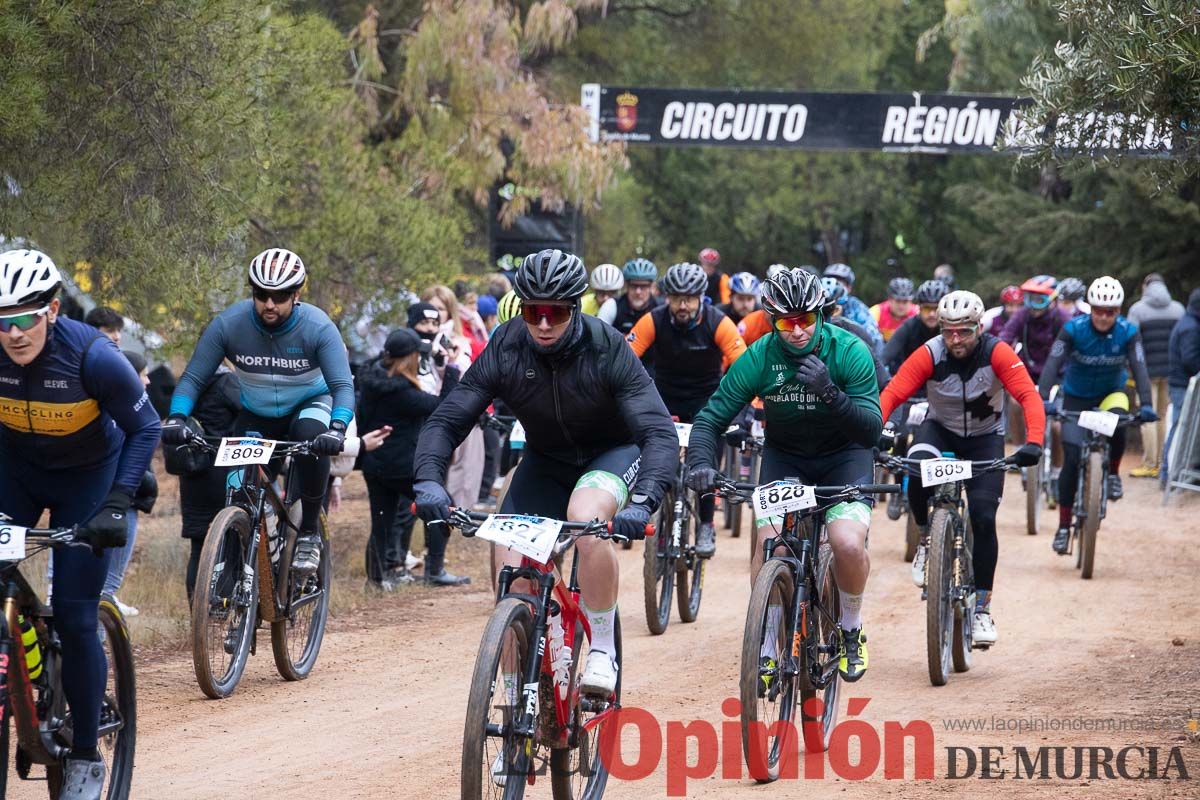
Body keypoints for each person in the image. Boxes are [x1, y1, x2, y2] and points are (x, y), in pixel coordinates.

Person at [414, 248, 678, 698]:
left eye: (554, 313)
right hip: (546, 460)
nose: (542, 324)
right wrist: (428, 481)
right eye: (533, 311)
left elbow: (657, 431)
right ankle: (518, 697)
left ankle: (602, 650)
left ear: (574, 308)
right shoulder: (507, 346)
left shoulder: (606, 346)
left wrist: (644, 500)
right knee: (513, 574)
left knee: (588, 518)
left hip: (610, 453)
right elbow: (447, 420)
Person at [0, 249, 160, 798]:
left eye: (25, 317)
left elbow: (146, 427)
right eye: (2, 321)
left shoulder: (93, 357)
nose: (14, 333)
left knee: (74, 613)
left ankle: (89, 752)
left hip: (87, 480)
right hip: (15, 472)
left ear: (52, 308)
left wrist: (118, 500)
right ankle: (21, 682)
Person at [686, 268, 883, 682]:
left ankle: (850, 628)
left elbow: (871, 429)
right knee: (771, 544)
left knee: (846, 542)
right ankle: (771, 644)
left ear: (821, 316)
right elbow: (710, 419)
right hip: (787, 457)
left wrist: (830, 392)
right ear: (771, 320)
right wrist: (701, 462)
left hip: (844, 455)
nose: (796, 331)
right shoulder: (759, 357)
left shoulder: (849, 351)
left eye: (805, 321)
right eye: (784, 322)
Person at [162, 248, 354, 578]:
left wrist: (336, 428)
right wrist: (177, 418)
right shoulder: (229, 325)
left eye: (279, 296)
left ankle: (308, 532)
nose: (269, 304)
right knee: (239, 488)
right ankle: (240, 566)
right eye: (260, 294)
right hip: (258, 414)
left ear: (296, 294)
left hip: (310, 404)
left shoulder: (318, 328)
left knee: (311, 434)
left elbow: (343, 386)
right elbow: (194, 377)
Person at [880, 291, 1045, 644]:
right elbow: (893, 393)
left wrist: (1034, 442)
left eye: (964, 331)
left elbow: (1028, 396)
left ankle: (982, 609)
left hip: (985, 437)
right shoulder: (930, 352)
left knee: (984, 517)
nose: (955, 339)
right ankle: (926, 537)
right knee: (916, 466)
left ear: (979, 327)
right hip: (940, 430)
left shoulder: (997, 352)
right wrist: (878, 430)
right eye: (948, 330)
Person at [627, 262, 747, 557]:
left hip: (707, 401)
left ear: (700, 298)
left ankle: (706, 523)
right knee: (652, 455)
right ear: (666, 297)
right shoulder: (652, 320)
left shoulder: (718, 322)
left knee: (705, 464)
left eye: (689, 298)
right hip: (664, 398)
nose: (682, 305)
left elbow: (744, 367)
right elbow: (625, 361)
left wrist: (738, 412)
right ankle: (647, 509)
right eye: (676, 297)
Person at [1038, 277, 1156, 554]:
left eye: (1110, 311)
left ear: (1118, 311)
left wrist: (1148, 404)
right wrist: (1043, 397)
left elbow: (1139, 368)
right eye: (1098, 310)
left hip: (1110, 394)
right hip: (1076, 397)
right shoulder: (1073, 329)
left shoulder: (1128, 332)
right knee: (1071, 454)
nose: (1103, 317)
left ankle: (1113, 473)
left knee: (1119, 419)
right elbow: (1053, 362)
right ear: (1090, 308)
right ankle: (1064, 526)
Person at [360, 328, 468, 587]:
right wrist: (452, 367)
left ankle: (377, 579)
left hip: (375, 463)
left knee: (382, 518)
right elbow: (444, 406)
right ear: (409, 358)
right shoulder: (401, 393)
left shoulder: (373, 381)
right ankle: (435, 570)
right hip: (402, 465)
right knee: (443, 507)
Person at [172, 357, 241, 604]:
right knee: (230, 538)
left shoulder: (187, 383)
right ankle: (223, 603)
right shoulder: (228, 381)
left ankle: (197, 610)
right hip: (222, 469)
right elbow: (250, 413)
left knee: (199, 545)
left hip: (191, 473)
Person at [1126, 274, 1185, 478]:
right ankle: (1163, 462)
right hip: (1170, 371)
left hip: (1146, 372)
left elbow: (1130, 341)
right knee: (1162, 416)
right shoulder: (1178, 309)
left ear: (1145, 287)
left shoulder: (1137, 310)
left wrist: (1131, 369)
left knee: (1147, 415)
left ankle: (1150, 463)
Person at [821, 278, 889, 388]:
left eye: (833, 311)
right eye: (817, 314)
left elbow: (883, 380)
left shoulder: (853, 329)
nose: (826, 319)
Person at [1164, 288, 1200, 481]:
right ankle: (1168, 473)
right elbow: (1190, 359)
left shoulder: (1189, 323)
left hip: (1180, 383)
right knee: (1179, 428)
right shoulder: (1191, 328)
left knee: (1179, 428)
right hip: (1182, 385)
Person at [883, 279, 948, 376]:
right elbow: (884, 357)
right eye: (927, 309)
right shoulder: (909, 326)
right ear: (919, 308)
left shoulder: (952, 328)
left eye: (937, 309)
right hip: (914, 379)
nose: (932, 314)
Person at [822, 263, 884, 351]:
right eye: (830, 280)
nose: (834, 284)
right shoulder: (814, 302)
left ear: (849, 287)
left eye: (840, 282)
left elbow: (874, 338)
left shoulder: (857, 307)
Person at [612, 258, 661, 336]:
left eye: (643, 286)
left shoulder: (660, 308)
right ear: (626, 286)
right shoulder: (613, 305)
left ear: (652, 287)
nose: (638, 292)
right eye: (634, 286)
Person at [869, 277, 917, 342]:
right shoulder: (876, 311)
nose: (901, 306)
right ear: (890, 299)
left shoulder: (918, 313)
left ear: (911, 301)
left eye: (905, 301)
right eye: (898, 301)